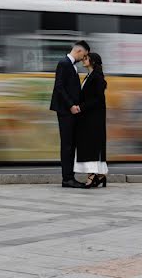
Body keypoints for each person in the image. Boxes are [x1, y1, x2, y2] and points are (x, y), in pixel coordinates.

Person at [49, 40, 89, 188]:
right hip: (65, 111)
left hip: (70, 111)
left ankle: (69, 177)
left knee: (70, 145)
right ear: (79, 51)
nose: (83, 59)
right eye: (83, 55)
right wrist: (71, 105)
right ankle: (67, 178)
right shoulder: (64, 63)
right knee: (67, 145)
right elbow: (59, 87)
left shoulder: (71, 65)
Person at [75, 51, 108, 188]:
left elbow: (98, 99)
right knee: (89, 145)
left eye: (86, 58)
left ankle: (92, 175)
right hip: (89, 117)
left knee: (91, 146)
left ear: (92, 61)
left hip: (94, 119)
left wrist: (81, 107)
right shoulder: (89, 76)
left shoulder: (97, 77)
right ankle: (100, 176)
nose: (84, 60)